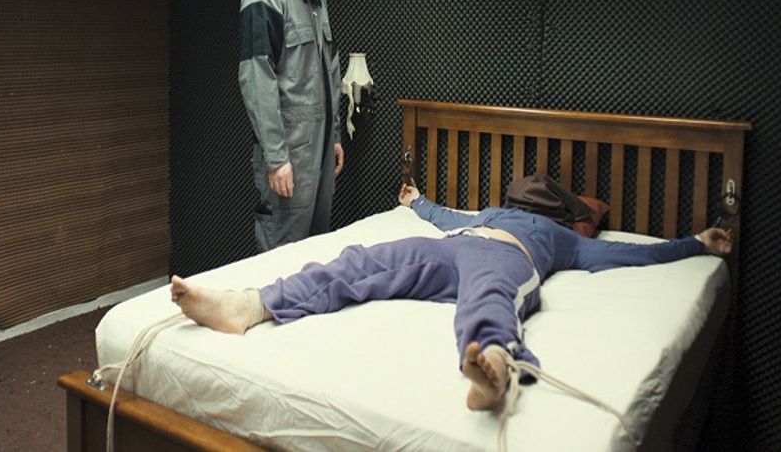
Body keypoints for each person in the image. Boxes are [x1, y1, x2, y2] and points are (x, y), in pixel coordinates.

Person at [170, 183, 731, 412]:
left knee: (489, 295)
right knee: (361, 261)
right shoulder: (491, 212)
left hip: (506, 258)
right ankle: (251, 305)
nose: (524, 201)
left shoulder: (562, 237)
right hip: (454, 246)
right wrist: (416, 203)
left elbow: (626, 254)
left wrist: (695, 244)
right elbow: (446, 218)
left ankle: (494, 363)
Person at [238, 0, 345, 252]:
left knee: (315, 256)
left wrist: (334, 136)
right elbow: (257, 80)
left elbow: (329, 67)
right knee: (282, 258)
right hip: (288, 155)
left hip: (320, 153)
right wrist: (276, 158)